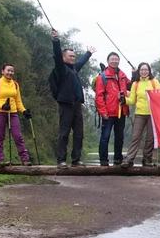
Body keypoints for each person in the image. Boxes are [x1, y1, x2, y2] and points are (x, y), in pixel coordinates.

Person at [49, 29, 94, 167]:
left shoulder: (74, 69)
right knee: (64, 133)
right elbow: (57, 54)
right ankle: (61, 160)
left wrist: (88, 53)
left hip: (77, 105)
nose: (73, 58)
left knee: (79, 134)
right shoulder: (61, 69)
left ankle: (76, 159)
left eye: (74, 56)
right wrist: (56, 40)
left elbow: (80, 62)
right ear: (63, 57)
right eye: (70, 56)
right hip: (65, 104)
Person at [0, 63, 31, 166]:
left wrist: (24, 111)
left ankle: (25, 160)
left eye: (12, 71)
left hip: (13, 113)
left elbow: (18, 101)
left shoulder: (15, 84)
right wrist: (2, 106)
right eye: (8, 70)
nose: (10, 72)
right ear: (2, 71)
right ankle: (0, 160)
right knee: (0, 136)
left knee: (18, 136)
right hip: (0, 112)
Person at [121, 62, 160, 168]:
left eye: (146, 70)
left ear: (149, 71)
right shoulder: (136, 84)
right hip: (139, 114)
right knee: (136, 137)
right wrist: (124, 100)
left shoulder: (154, 82)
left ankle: (147, 160)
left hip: (153, 115)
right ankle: (129, 160)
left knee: (150, 138)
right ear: (139, 71)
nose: (144, 72)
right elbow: (132, 100)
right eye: (142, 70)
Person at [95, 52, 130, 166]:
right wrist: (103, 112)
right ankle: (103, 160)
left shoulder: (123, 75)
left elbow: (132, 86)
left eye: (116, 59)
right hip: (108, 113)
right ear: (108, 61)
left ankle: (118, 158)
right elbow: (99, 96)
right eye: (112, 59)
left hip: (121, 111)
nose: (114, 61)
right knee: (105, 137)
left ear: (119, 61)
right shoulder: (103, 76)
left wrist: (135, 75)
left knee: (119, 137)